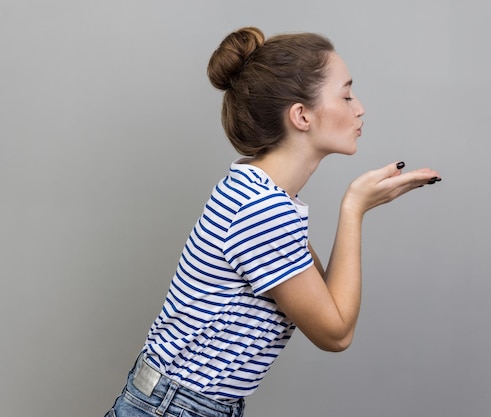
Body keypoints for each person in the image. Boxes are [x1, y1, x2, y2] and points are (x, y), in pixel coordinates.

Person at [105, 26, 441, 417]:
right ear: (301, 115)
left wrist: (356, 206)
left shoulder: (258, 191)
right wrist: (353, 209)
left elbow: (325, 299)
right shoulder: (264, 212)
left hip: (174, 403)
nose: (359, 107)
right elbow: (336, 332)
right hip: (177, 408)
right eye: (346, 95)